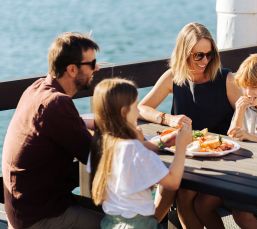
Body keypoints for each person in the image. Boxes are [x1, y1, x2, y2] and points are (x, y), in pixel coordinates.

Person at [138, 22, 241, 229]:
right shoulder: (174, 76)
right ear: (183, 53)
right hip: (187, 156)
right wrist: (168, 119)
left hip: (221, 159)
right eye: (198, 55)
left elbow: (248, 121)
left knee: (183, 196)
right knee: (177, 193)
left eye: (209, 54)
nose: (205, 61)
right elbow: (142, 107)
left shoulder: (227, 79)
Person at [2, 32, 103, 229]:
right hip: (40, 217)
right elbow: (96, 157)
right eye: (91, 64)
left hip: (24, 209)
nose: (96, 68)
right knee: (133, 224)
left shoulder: (37, 88)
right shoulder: (57, 102)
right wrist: (145, 145)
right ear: (72, 69)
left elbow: (57, 126)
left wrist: (91, 123)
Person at [194, 53, 257, 229]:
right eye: (246, 87)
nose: (249, 92)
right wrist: (240, 110)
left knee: (241, 213)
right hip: (241, 176)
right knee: (201, 204)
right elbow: (233, 135)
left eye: (255, 87)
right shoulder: (245, 109)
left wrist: (250, 137)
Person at [89, 78, 192, 229]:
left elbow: (127, 153)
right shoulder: (135, 150)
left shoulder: (101, 144)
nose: (138, 111)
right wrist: (181, 146)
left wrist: (162, 141)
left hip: (111, 223)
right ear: (124, 112)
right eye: (135, 106)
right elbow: (173, 182)